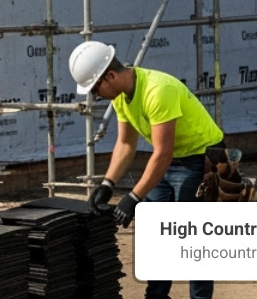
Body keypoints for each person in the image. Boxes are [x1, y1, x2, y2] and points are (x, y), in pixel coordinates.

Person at [70, 40, 224, 299]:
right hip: (171, 158)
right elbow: (126, 144)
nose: (96, 95)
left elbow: (162, 153)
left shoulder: (157, 90)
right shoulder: (121, 97)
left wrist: (133, 197)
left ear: (110, 75)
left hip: (200, 157)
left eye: (96, 88)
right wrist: (107, 184)